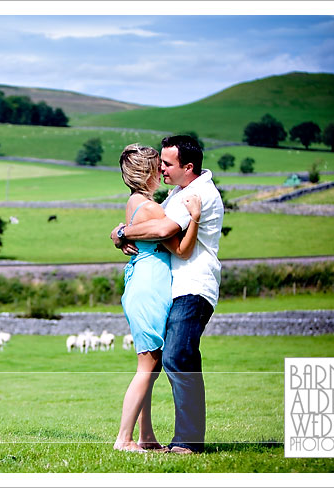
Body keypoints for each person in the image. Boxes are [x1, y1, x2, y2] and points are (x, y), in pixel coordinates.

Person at [110, 135, 224, 455]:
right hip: (167, 285)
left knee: (175, 358)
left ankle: (182, 441)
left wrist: (121, 233)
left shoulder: (197, 194)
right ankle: (138, 438)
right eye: (159, 163)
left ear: (187, 167)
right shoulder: (177, 192)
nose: (162, 168)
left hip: (193, 285)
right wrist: (122, 234)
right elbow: (159, 230)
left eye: (167, 163)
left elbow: (162, 232)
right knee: (161, 361)